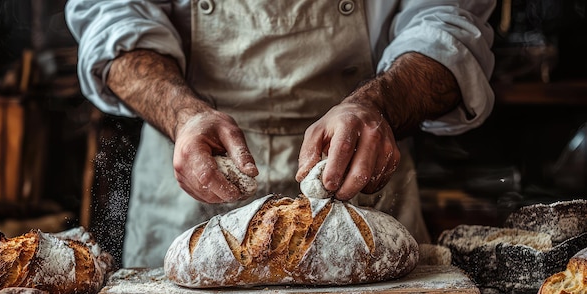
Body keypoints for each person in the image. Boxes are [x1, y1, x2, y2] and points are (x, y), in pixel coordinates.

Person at [65, 0, 496, 268]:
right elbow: (111, 15)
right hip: (188, 170)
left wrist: (377, 105)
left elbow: (449, 25)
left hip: (360, 172)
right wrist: (182, 114)